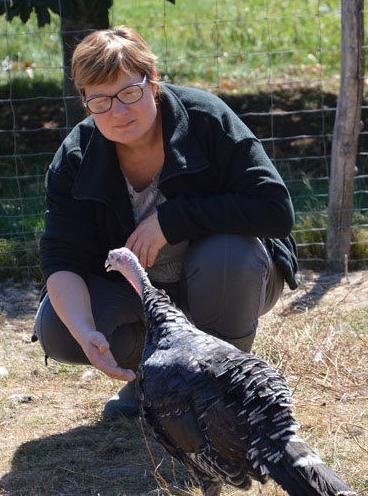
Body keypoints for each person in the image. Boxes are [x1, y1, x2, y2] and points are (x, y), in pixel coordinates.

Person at [33, 25, 298, 418]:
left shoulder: (207, 119)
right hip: (142, 292)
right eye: (100, 101)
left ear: (152, 81)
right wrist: (86, 332)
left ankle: (223, 384)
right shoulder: (75, 155)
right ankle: (152, 382)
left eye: (129, 93)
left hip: (229, 277)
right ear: (84, 101)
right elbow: (61, 257)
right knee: (59, 325)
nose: (118, 112)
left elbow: (275, 209)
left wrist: (173, 220)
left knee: (228, 253)